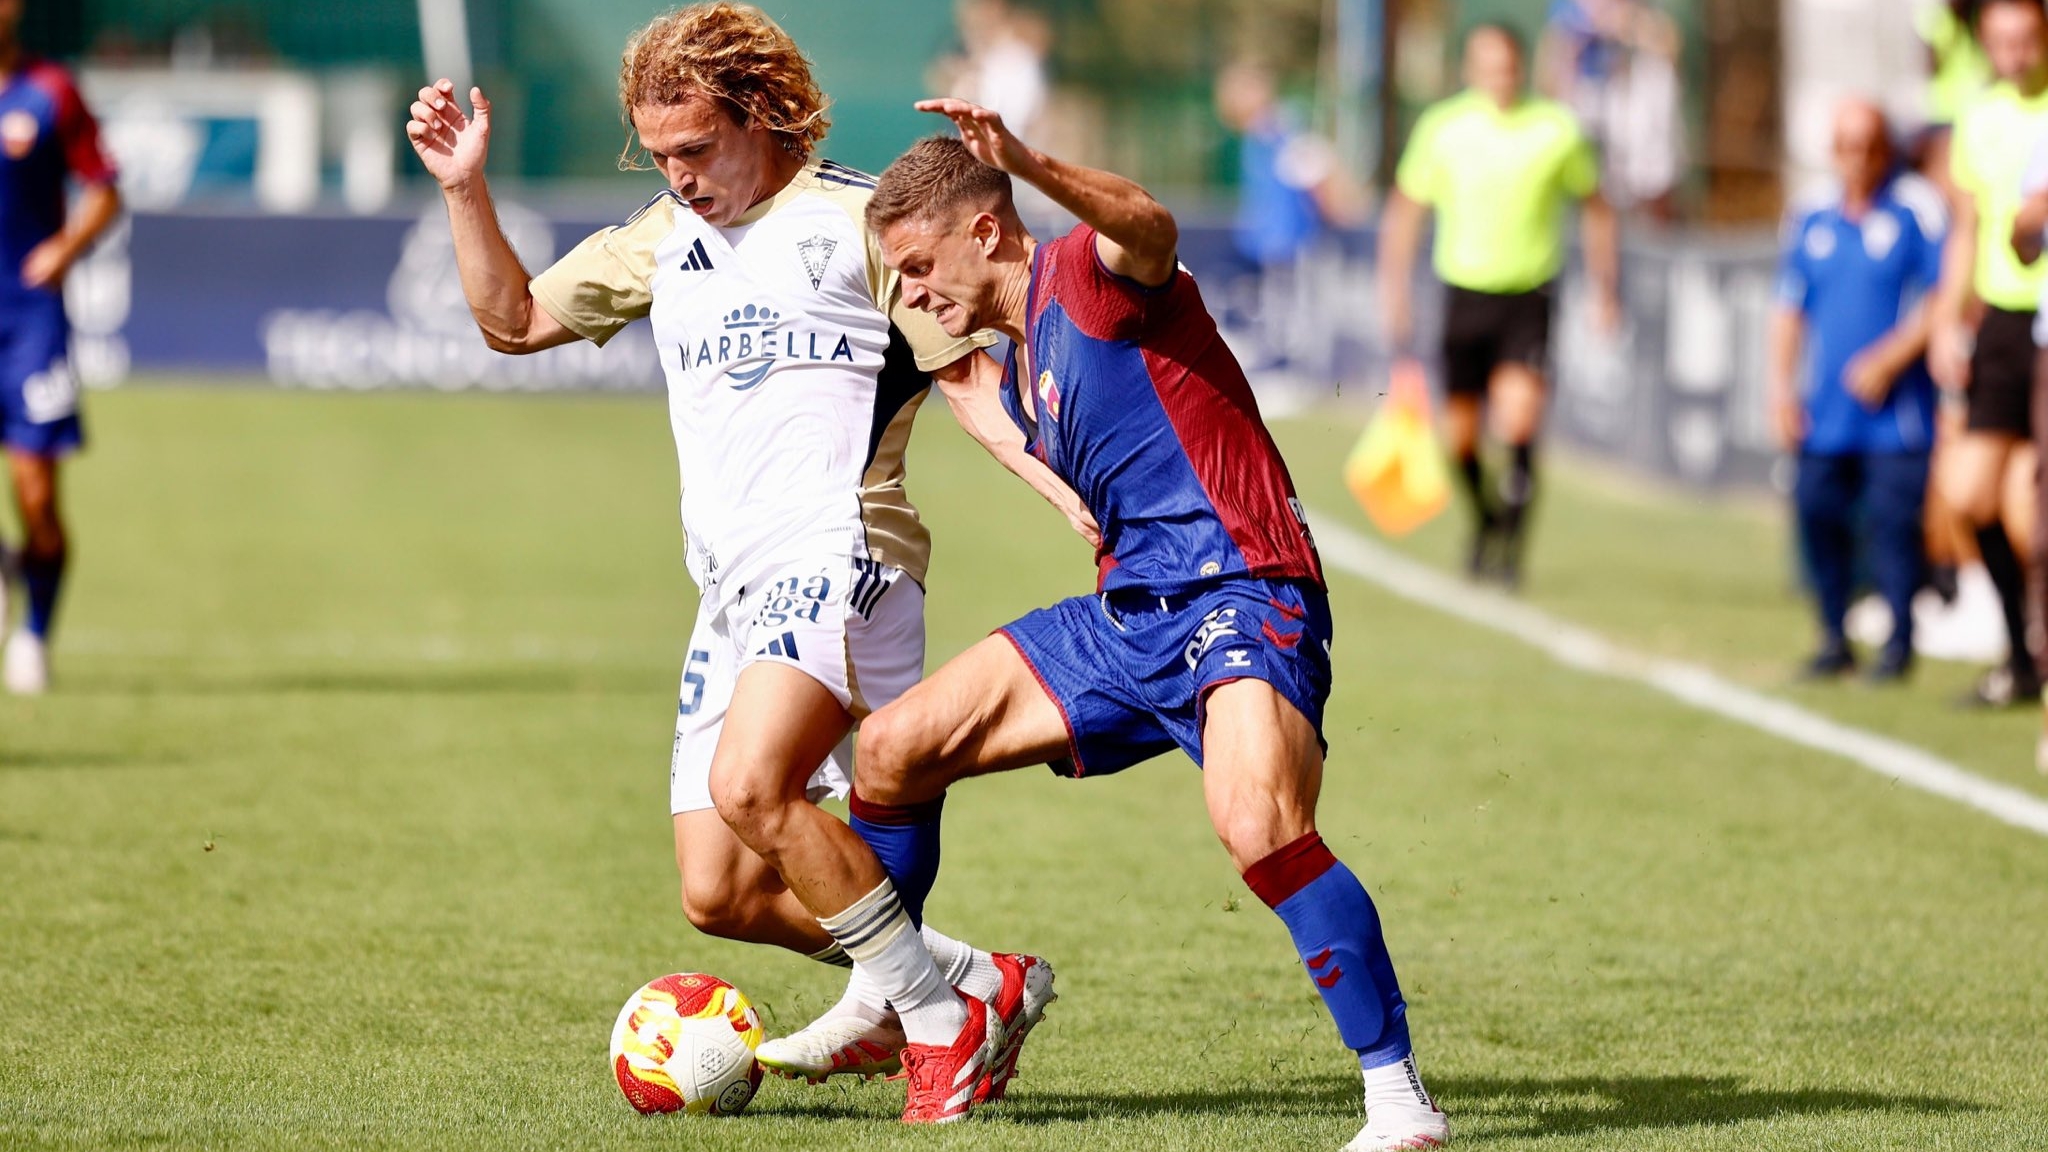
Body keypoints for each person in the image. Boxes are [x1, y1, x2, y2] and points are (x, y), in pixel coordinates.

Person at [720, 100, 1452, 1146]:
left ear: (984, 228)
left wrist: (1026, 161)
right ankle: (894, 993)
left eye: (921, 266)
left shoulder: (1086, 274)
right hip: (1126, 616)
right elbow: (964, 384)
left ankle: (1396, 1098)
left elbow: (1148, 224)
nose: (914, 294)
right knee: (890, 749)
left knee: (1257, 826)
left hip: (1238, 589)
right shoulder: (1015, 354)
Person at [402, 1, 1086, 1088]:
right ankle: (967, 984)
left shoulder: (860, 222)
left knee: (750, 785)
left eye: (697, 147)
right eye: (661, 152)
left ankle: (932, 1025)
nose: (678, 173)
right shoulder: (662, 241)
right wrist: (462, 186)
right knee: (716, 893)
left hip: (843, 553)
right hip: (728, 588)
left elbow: (968, 381)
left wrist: (1067, 493)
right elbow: (513, 321)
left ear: (761, 115)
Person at [1378, 22, 1620, 590]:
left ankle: (1510, 547)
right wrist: (1394, 291)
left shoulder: (1557, 129)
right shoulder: (1443, 128)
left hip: (1529, 296)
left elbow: (1597, 208)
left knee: (1518, 418)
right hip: (1464, 295)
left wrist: (1607, 289)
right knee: (1459, 439)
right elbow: (1406, 211)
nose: (1499, 76)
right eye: (1487, 65)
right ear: (1470, 69)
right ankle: (1487, 520)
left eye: (1507, 65)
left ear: (1522, 65)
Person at [1769, 100, 1948, 683]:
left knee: (1893, 525)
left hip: (1895, 412)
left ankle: (1899, 642)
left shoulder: (1911, 215)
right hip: (1827, 410)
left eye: (1868, 145)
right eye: (1846, 145)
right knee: (1817, 514)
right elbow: (1789, 310)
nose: (1858, 157)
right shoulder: (1812, 222)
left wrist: (1892, 357)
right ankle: (1832, 635)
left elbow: (1940, 296)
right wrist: (1781, 388)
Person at [1929, 0, 2048, 708]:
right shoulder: (1980, 117)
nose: (2013, 52)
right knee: (1969, 493)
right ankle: (2021, 651)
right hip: (2004, 318)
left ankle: (2030, 654)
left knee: (2030, 509)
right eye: (2000, 40)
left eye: (2025, 38)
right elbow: (1967, 230)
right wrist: (1949, 318)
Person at [0, 0, 121, 694]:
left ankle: (36, 630)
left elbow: (105, 189)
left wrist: (65, 247)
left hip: (28, 321)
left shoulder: (50, 92)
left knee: (37, 497)